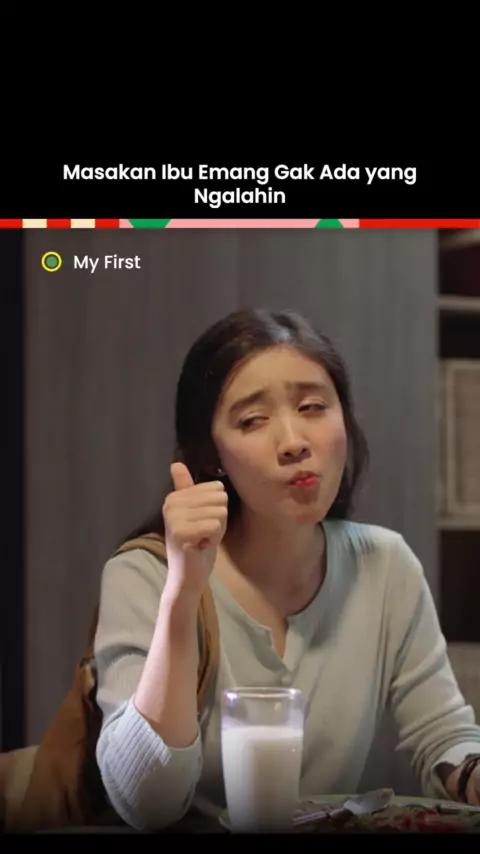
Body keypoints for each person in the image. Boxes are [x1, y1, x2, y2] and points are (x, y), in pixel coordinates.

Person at [93, 307, 480, 832]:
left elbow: (445, 734)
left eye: (313, 407)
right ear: (212, 457)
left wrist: (469, 771)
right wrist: (182, 592)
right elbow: (146, 804)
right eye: (253, 420)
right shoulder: (144, 574)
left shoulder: (385, 566)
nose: (294, 441)